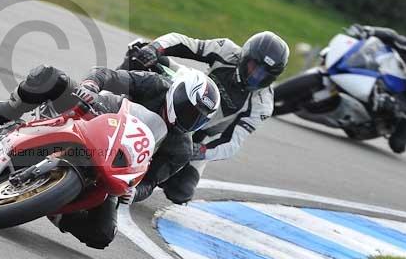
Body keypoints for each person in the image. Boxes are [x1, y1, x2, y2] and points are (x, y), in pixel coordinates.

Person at [0, 63, 220, 249]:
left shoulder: (181, 149)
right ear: (177, 92)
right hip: (98, 114)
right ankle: (5, 112)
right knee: (50, 76)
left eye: (197, 118)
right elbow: (110, 76)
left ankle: (55, 206)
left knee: (102, 234)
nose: (190, 119)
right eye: (188, 109)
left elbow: (150, 182)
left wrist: (134, 192)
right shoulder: (157, 84)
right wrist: (91, 85)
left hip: (115, 166)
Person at [123, 31, 289, 204]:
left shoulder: (263, 105)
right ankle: (111, 100)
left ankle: (152, 174)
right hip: (185, 93)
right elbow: (184, 41)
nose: (256, 77)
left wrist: (200, 151)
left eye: (264, 75)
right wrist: (155, 48)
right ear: (245, 56)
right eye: (254, 67)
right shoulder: (226, 49)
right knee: (140, 53)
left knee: (181, 192)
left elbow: (232, 144)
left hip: (201, 134)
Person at [345, 25, 406, 153]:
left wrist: (395, 104)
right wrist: (367, 30)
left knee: (397, 145)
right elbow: (392, 36)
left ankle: (385, 126)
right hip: (405, 84)